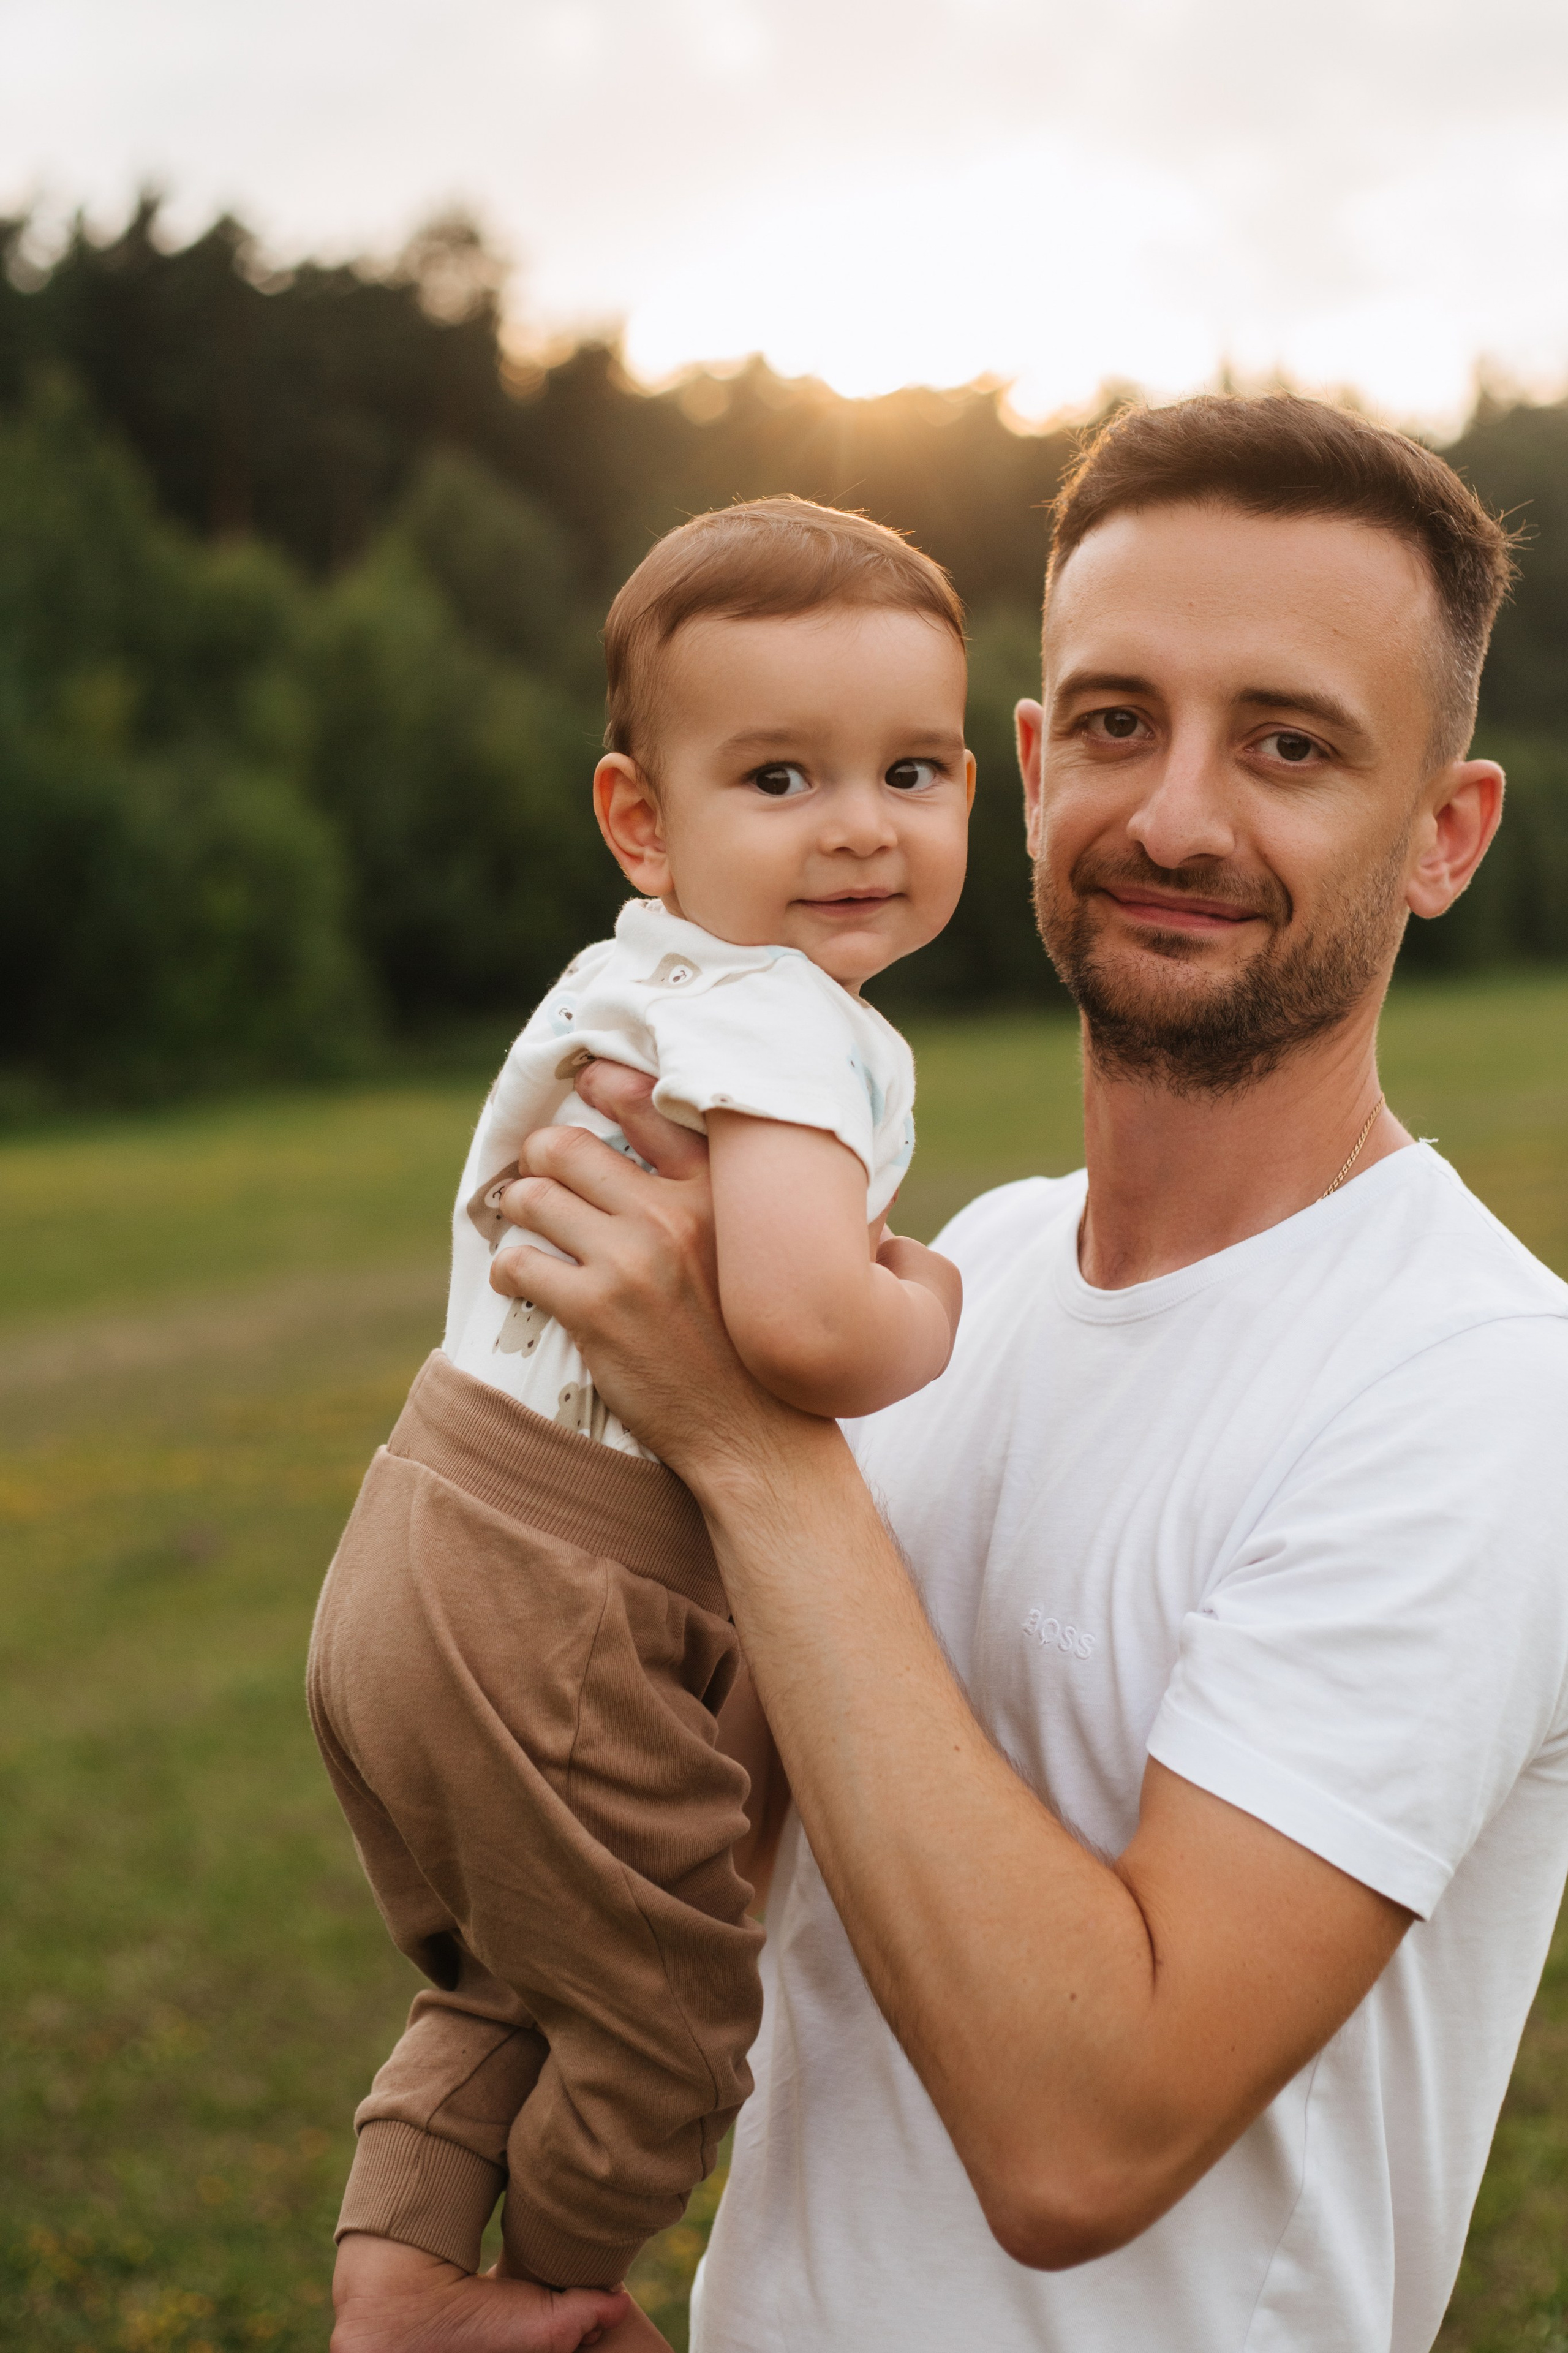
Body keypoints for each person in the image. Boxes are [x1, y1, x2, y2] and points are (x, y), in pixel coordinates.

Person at [332, 394, 1568, 2353]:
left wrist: (749, 1439)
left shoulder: (1481, 1391)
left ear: (1446, 834)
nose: (1176, 817)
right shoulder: (970, 1265)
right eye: (1118, 722)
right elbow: (690, 1862)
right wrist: (451, 2258)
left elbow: (1084, 2139)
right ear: (1032, 768)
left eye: (1289, 743)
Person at [313, 498, 971, 2336]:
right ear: (642, 817)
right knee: (669, 2008)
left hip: (422, 1536)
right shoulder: (784, 1019)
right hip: (563, 1591)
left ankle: (397, 2265)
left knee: (515, 1975)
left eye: (912, 771)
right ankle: (545, 2287)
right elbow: (800, 1318)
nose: (860, 824)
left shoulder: (632, 975)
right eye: (780, 776)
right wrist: (929, 1305)